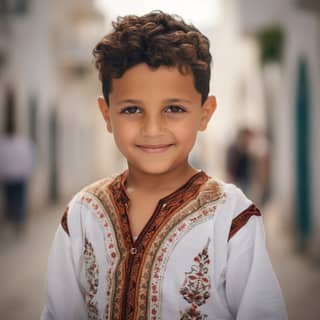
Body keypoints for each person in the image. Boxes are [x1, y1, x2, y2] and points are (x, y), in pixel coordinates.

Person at [41, 11, 287, 320]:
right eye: (132, 109)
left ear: (204, 113)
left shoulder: (230, 217)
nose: (152, 128)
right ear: (106, 115)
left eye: (174, 108)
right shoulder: (83, 213)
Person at [0, 94, 34, 233]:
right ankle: (18, 222)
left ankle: (13, 220)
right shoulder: (23, 143)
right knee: (19, 200)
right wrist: (28, 172)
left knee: (9, 200)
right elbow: (29, 158)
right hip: (20, 176)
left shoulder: (3, 144)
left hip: (8, 177)